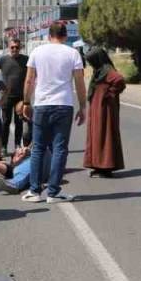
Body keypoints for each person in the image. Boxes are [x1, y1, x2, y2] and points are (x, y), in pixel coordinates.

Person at [22, 21, 86, 203]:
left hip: (42, 104)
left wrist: (26, 101)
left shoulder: (37, 52)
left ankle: (34, 191)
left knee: (38, 148)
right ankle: (53, 192)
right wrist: (83, 107)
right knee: (60, 149)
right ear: (65, 36)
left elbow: (29, 80)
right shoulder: (73, 53)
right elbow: (79, 82)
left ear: (48, 36)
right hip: (63, 105)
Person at [82, 48, 126, 178]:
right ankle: (98, 165)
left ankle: (106, 167)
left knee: (105, 135)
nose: (90, 64)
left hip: (105, 109)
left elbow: (119, 81)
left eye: (91, 61)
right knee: (96, 135)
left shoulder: (108, 70)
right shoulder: (100, 71)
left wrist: (109, 94)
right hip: (98, 108)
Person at [0, 38, 31, 148]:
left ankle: (17, 145)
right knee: (5, 122)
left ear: (20, 48)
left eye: (17, 47)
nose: (14, 49)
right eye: (12, 47)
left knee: (19, 122)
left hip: (21, 97)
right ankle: (4, 146)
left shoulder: (26, 59)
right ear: (8, 47)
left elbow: (33, 74)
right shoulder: (2, 60)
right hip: (6, 97)